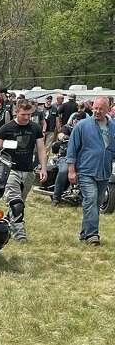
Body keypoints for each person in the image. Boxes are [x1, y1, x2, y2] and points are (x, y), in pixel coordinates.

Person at [0, 99, 48, 242]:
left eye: (30, 114)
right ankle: (20, 235)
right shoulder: (6, 128)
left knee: (19, 204)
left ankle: (7, 221)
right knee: (16, 203)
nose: (27, 117)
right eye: (24, 114)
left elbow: (41, 149)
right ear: (16, 112)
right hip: (10, 170)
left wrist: (43, 168)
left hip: (28, 170)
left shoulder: (35, 128)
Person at [64, 96, 115, 245]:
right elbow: (72, 149)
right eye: (95, 108)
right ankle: (93, 235)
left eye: (101, 109)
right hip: (86, 170)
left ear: (108, 109)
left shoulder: (112, 127)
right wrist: (71, 171)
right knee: (90, 199)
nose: (97, 111)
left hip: (104, 171)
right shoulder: (82, 126)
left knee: (95, 204)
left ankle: (84, 233)